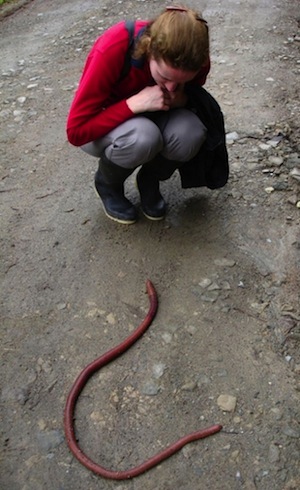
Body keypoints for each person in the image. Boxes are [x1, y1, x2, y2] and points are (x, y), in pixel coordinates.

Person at [66, 5, 211, 224]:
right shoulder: (115, 46)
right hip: (104, 128)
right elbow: (76, 132)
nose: (171, 88)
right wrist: (132, 105)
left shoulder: (197, 59)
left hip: (154, 117)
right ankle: (108, 185)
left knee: (191, 133)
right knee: (143, 137)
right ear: (149, 49)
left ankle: (149, 178)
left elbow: (193, 97)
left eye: (181, 82)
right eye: (164, 76)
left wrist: (183, 99)